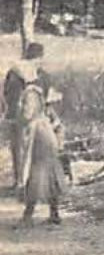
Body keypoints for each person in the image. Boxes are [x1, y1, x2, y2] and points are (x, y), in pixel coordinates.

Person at [17, 86, 69, 226]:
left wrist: (22, 119)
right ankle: (54, 213)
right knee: (48, 172)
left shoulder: (31, 93)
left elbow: (28, 115)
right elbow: (56, 122)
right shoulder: (40, 95)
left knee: (36, 173)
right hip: (46, 135)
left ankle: (29, 215)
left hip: (38, 136)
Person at [4, 42, 48, 188]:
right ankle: (27, 181)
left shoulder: (13, 71)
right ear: (39, 57)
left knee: (16, 148)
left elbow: (6, 93)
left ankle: (18, 181)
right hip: (29, 116)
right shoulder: (37, 73)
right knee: (30, 149)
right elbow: (42, 96)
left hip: (12, 114)